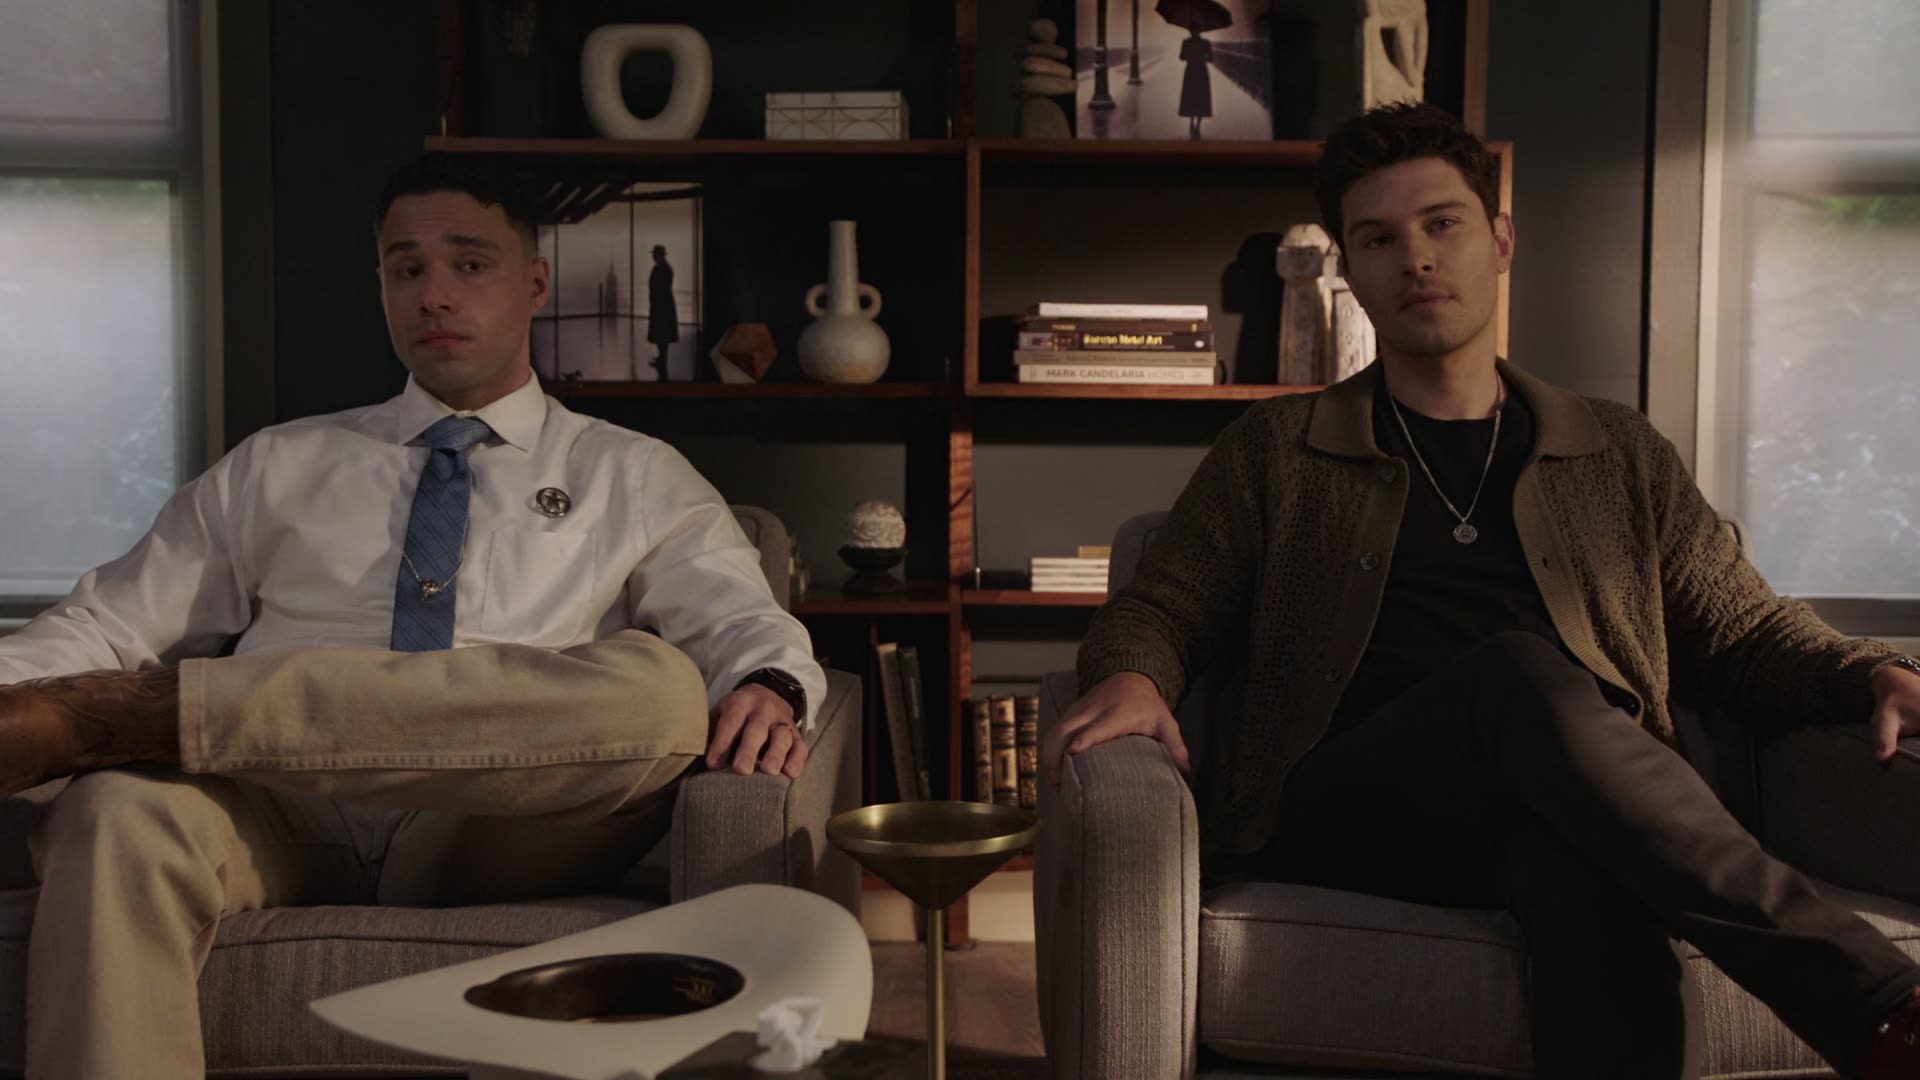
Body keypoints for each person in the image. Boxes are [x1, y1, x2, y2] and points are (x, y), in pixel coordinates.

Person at [1044, 102, 1920, 1078]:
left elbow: (1743, 627)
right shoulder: (1277, 451)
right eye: (1379, 239)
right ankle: (1881, 1006)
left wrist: (1872, 672)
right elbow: (1162, 603)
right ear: (1352, 271)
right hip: (1355, 808)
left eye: (1442, 224)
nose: (1416, 257)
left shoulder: (1618, 451)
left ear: (1500, 240)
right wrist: (1132, 673)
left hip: (1566, 802)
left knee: (1592, 882)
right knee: (1517, 676)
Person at [0, 154, 823, 1078]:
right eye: (407, 268)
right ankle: (159, 722)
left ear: (534, 284)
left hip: (499, 823)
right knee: (112, 810)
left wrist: (768, 682)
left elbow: (739, 617)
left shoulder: (631, 472)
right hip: (287, 808)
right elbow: (106, 623)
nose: (434, 294)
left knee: (664, 698)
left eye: (469, 264)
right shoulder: (277, 464)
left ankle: (162, 713)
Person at [647, 242, 678, 379]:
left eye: (654, 254)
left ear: (658, 255)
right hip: (663, 305)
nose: (653, 257)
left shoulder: (662, 268)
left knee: (661, 334)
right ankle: (662, 358)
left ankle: (662, 359)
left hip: (661, 306)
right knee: (662, 334)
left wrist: (655, 299)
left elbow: (659, 287)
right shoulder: (664, 267)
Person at [1176, 26, 1214, 140]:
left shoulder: (1186, 42)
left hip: (1190, 71)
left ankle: (1191, 121)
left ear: (1190, 31)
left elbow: (1181, 57)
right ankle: (1198, 125)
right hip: (1202, 72)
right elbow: (1211, 58)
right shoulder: (1206, 43)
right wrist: (1203, 57)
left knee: (1190, 96)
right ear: (1200, 31)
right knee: (1201, 97)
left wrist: (1189, 55)